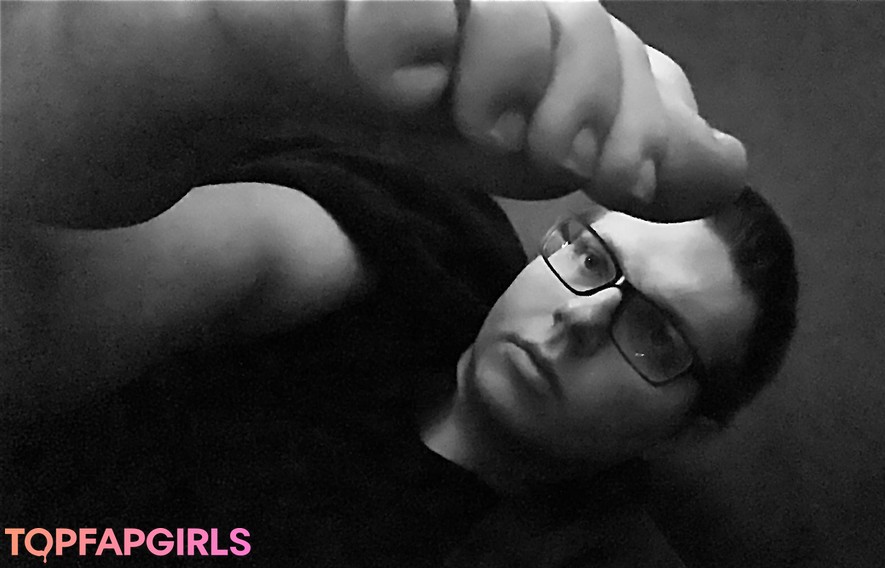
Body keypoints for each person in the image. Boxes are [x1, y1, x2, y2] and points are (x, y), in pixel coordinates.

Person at [0, 1, 797, 566]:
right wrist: (121, 78)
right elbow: (151, 281)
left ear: (687, 429)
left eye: (656, 336)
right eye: (591, 260)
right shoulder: (417, 247)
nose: (579, 318)